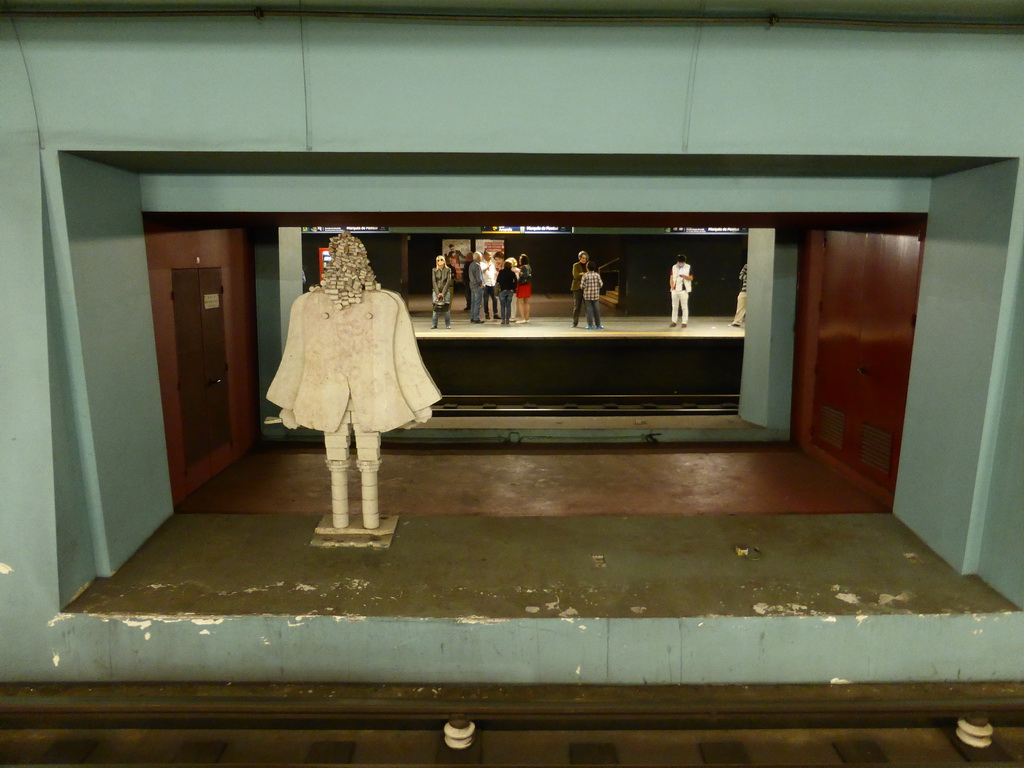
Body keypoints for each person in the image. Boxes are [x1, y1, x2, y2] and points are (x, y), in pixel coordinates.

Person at [267, 231, 440, 530]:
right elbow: (295, 354)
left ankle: (371, 520)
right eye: (341, 256)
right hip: (326, 392)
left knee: (370, 457)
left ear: (364, 262)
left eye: (353, 256)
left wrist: (418, 401)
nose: (347, 262)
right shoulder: (307, 305)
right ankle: (340, 521)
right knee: (334, 459)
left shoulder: (387, 304)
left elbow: (403, 355)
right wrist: (288, 403)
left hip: (371, 392)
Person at [669, 254, 693, 328]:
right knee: (674, 306)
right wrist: (672, 287)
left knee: (684, 307)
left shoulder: (688, 267)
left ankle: (684, 322)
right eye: (679, 262)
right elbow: (671, 278)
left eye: (682, 262)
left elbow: (691, 278)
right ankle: (674, 321)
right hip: (675, 290)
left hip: (683, 290)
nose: (680, 264)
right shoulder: (674, 267)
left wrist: (685, 276)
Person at [430, 255, 453, 329]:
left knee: (446, 308)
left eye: (441, 260)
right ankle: (434, 324)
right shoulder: (434, 270)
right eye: (438, 260)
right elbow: (434, 282)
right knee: (435, 308)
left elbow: (448, 281)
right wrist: (437, 293)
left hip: (445, 292)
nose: (440, 261)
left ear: (444, 261)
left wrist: (443, 293)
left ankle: (447, 324)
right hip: (436, 291)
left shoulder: (448, 269)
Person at [581, 261, 604, 329]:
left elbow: (582, 286)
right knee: (597, 310)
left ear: (587, 268)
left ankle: (590, 325)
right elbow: (601, 284)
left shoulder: (585, 275)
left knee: (589, 310)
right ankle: (598, 325)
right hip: (595, 296)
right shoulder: (597, 275)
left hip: (587, 296)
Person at [496, 258, 518, 325]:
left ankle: (503, 320)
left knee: (502, 306)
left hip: (502, 290)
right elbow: (516, 281)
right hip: (510, 291)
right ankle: (508, 320)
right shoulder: (512, 273)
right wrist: (513, 288)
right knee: (508, 306)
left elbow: (498, 281)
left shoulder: (501, 272)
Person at [571, 250, 589, 327]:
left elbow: (590, 275)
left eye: (585, 258)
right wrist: (584, 274)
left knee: (587, 307)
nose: (584, 259)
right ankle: (575, 323)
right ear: (579, 258)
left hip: (586, 288)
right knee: (577, 306)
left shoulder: (588, 265)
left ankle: (590, 323)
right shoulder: (576, 265)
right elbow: (576, 276)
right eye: (582, 258)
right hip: (577, 288)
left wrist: (582, 274)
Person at [467, 251, 484, 323]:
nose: (481, 258)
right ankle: (476, 318)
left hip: (472, 285)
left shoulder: (471, 265)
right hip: (477, 286)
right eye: (481, 257)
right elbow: (478, 277)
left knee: (473, 302)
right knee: (477, 302)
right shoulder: (477, 265)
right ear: (478, 258)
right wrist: (481, 283)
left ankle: (472, 317)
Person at [515, 254, 533, 323]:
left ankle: (522, 318)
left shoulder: (523, 267)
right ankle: (527, 318)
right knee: (526, 302)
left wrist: (519, 273)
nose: (519, 261)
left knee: (519, 301)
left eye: (520, 259)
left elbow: (522, 276)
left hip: (522, 285)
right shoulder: (529, 267)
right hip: (528, 285)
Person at [481, 251, 498, 320]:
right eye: (489, 255)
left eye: (491, 255)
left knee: (495, 298)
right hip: (485, 283)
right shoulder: (482, 263)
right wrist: (486, 268)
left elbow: (494, 272)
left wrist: (495, 279)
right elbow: (481, 271)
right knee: (486, 299)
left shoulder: (492, 263)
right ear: (485, 255)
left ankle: (495, 313)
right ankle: (486, 313)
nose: (490, 257)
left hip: (492, 283)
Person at [730, 263, 748, 327]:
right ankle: (737, 322)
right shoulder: (747, 265)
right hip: (745, 290)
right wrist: (746, 276)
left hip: (756, 291)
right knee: (741, 303)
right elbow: (740, 276)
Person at [505, 256, 519, 321]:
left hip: (507, 288)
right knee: (513, 303)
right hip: (514, 288)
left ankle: (508, 315)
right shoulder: (518, 270)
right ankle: (512, 316)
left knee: (508, 302)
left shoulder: (506, 271)